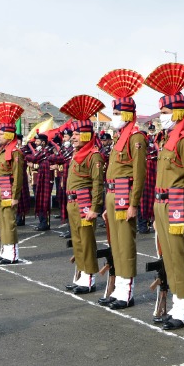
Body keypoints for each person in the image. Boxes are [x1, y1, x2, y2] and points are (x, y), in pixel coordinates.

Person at [144, 62, 184, 329]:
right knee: (168, 255)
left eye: (165, 112)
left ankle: (183, 309)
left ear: (178, 113)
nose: (161, 116)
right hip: (162, 205)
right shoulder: (167, 139)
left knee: (180, 257)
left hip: (178, 206)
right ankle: (177, 305)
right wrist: (156, 212)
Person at [97, 68, 148, 309]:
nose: (114, 116)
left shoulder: (136, 137)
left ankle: (126, 291)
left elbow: (138, 173)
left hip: (124, 195)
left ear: (128, 115)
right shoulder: (120, 136)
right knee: (115, 243)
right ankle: (118, 288)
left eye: (117, 112)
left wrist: (133, 203)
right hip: (112, 194)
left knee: (125, 243)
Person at [62, 98, 107, 293]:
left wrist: (95, 208)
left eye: (77, 134)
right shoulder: (78, 153)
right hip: (73, 202)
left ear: (87, 135)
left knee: (87, 241)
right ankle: (81, 275)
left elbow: (98, 184)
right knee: (78, 240)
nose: (73, 137)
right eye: (73, 133)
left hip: (85, 203)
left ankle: (89, 279)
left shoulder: (93, 155)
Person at [0, 102, 27, 264]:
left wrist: (15, 196)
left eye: (2, 134)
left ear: (10, 136)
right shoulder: (2, 151)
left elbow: (18, 176)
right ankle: (4, 251)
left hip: (7, 188)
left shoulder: (15, 152)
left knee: (9, 221)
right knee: (2, 220)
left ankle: (12, 254)